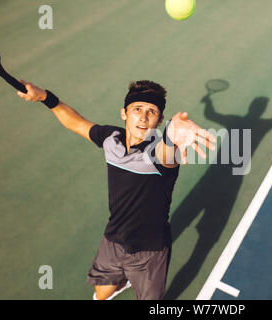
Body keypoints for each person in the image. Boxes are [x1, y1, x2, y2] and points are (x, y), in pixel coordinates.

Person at [16, 79, 216, 300]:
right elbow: (77, 123)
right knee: (101, 294)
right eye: (137, 109)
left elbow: (167, 154)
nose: (143, 117)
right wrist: (45, 97)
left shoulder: (158, 152)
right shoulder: (111, 138)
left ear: (159, 121)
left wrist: (171, 136)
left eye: (151, 112)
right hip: (113, 239)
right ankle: (122, 280)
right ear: (124, 113)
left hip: (149, 252)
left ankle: (132, 276)